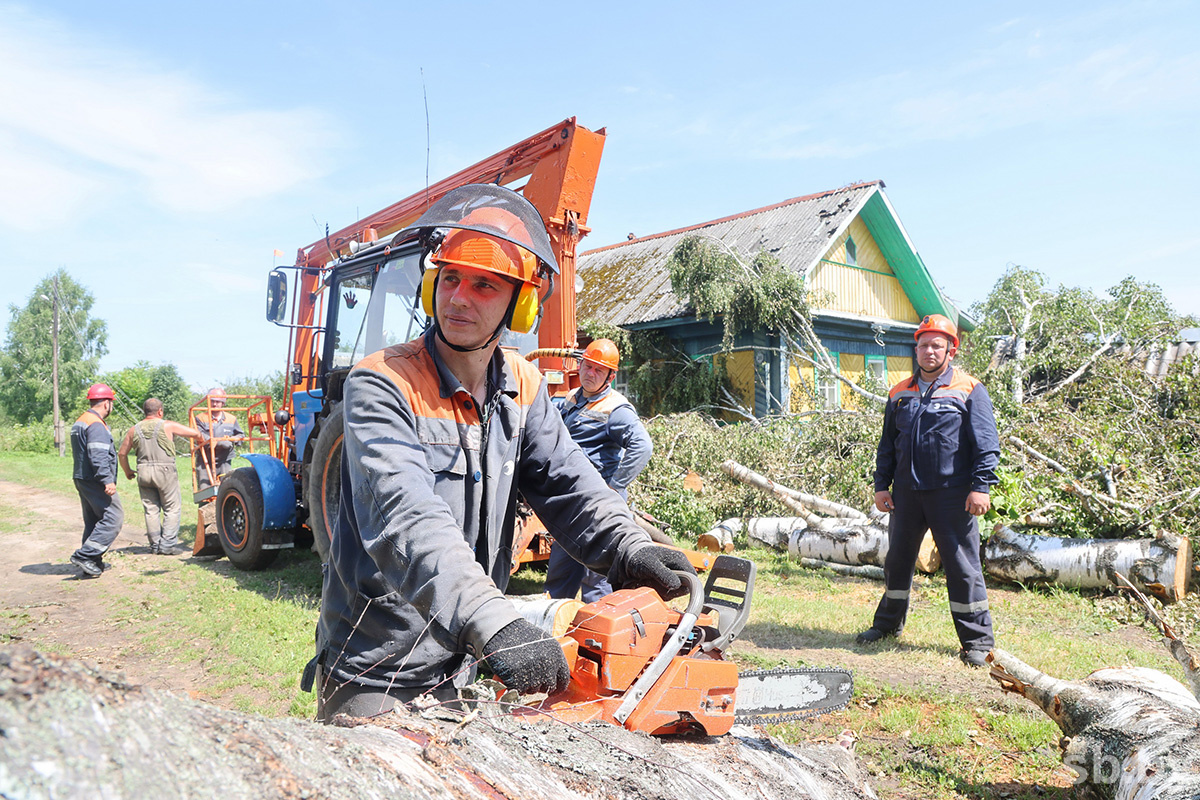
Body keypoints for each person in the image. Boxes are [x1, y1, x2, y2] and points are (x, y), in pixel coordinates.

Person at [311, 185, 694, 721]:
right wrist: (492, 620)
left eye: (485, 284)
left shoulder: (524, 385)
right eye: (449, 278)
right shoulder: (382, 382)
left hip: (463, 660)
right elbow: (407, 517)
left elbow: (571, 485)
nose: (459, 297)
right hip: (381, 665)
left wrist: (629, 547)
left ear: (521, 301)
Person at [857, 314, 1001, 667]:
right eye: (923, 344)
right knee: (897, 562)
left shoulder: (969, 389)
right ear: (916, 349)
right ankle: (887, 626)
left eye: (937, 345)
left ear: (951, 350)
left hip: (953, 494)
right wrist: (881, 485)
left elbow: (986, 444)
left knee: (963, 567)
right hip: (906, 494)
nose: (929, 351)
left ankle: (977, 642)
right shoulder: (899, 392)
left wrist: (980, 487)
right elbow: (887, 444)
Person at [545, 339, 653, 602]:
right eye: (587, 366)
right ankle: (553, 631)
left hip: (599, 505)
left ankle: (596, 637)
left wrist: (615, 486)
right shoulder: (571, 398)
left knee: (596, 580)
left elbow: (642, 446)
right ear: (579, 364)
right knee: (560, 574)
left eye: (598, 370)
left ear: (611, 376)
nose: (590, 374)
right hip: (571, 502)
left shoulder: (615, 408)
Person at [118, 398, 203, 556]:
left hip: (142, 471)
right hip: (165, 470)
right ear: (160, 411)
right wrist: (201, 438)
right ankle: (168, 545)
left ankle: (155, 545)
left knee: (151, 510)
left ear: (145, 411)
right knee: (172, 508)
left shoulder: (133, 430)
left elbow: (122, 453)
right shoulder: (167, 425)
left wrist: (128, 471)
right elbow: (195, 433)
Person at [69, 383, 125, 578]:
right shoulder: (96, 424)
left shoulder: (81, 420)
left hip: (82, 477)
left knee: (93, 520)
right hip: (95, 479)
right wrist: (107, 480)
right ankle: (84, 556)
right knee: (113, 518)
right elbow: (97, 454)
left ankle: (93, 561)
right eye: (111, 402)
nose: (112, 407)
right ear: (106, 403)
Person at [193, 387, 244, 491]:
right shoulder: (200, 418)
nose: (214, 404)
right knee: (205, 491)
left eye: (218, 401)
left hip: (225, 459)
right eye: (212, 401)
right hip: (205, 460)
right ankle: (205, 506)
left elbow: (240, 435)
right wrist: (220, 441)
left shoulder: (231, 418)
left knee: (226, 488)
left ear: (223, 403)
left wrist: (233, 439)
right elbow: (199, 435)